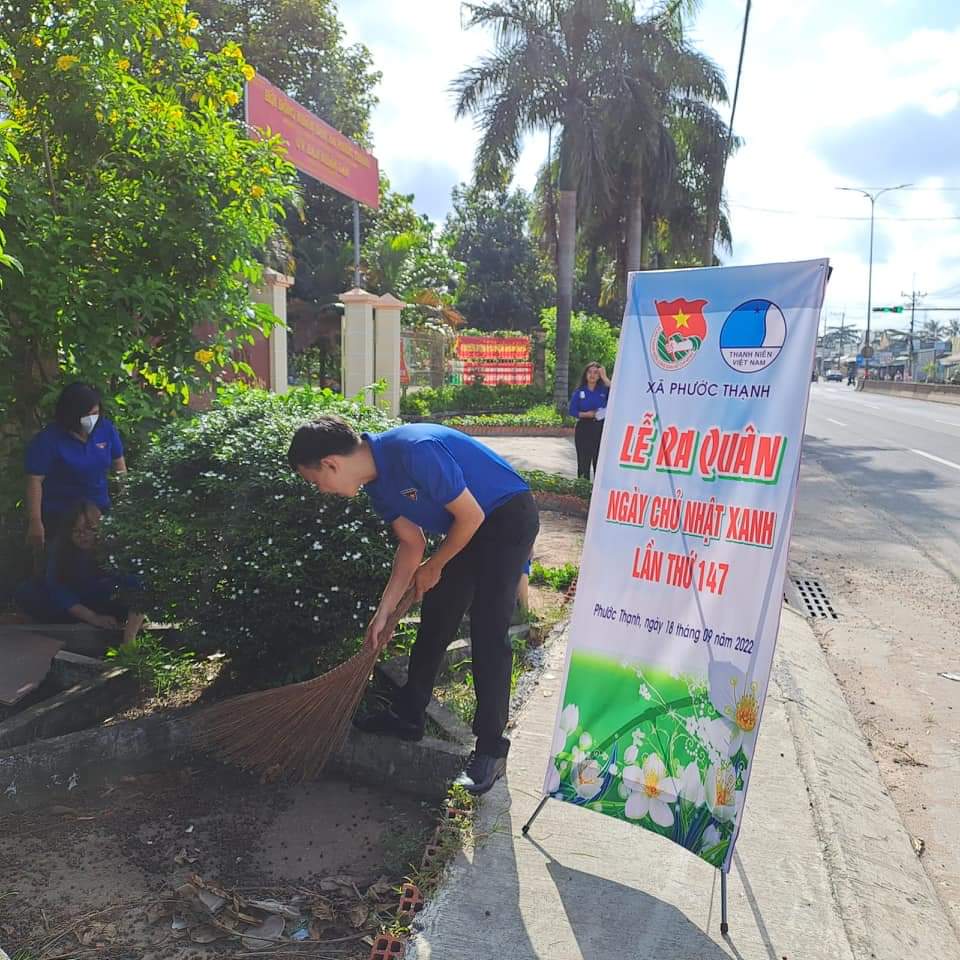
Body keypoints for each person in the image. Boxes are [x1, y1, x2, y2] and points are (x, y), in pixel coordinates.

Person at [287, 416, 540, 795]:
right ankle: (408, 715)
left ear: (331, 464)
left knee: (487, 629)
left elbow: (471, 515)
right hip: (466, 528)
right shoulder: (375, 485)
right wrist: (384, 611)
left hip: (505, 518)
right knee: (437, 617)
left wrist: (436, 566)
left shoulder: (414, 450)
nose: (320, 490)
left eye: (314, 481)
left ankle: (490, 749)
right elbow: (411, 545)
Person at [15, 500, 145, 643]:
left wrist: (129, 639)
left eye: (88, 530)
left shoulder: (117, 551)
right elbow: (57, 588)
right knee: (27, 591)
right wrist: (92, 617)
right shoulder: (61, 551)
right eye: (76, 531)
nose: (82, 536)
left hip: (107, 601)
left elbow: (138, 590)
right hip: (76, 605)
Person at [24, 382, 126, 553]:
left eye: (95, 413)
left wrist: (125, 502)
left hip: (99, 513)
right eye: (87, 415)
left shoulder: (105, 429)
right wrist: (35, 521)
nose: (92, 419)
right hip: (60, 518)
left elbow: (119, 464)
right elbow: (34, 480)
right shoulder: (49, 439)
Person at [568, 361, 611, 480]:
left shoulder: (604, 390)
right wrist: (585, 414)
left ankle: (598, 492)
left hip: (599, 428)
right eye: (590, 372)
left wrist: (605, 377)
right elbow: (572, 411)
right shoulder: (579, 392)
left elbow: (617, 393)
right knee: (583, 460)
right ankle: (583, 488)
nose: (592, 375)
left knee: (599, 460)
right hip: (583, 428)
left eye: (596, 373)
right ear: (585, 374)